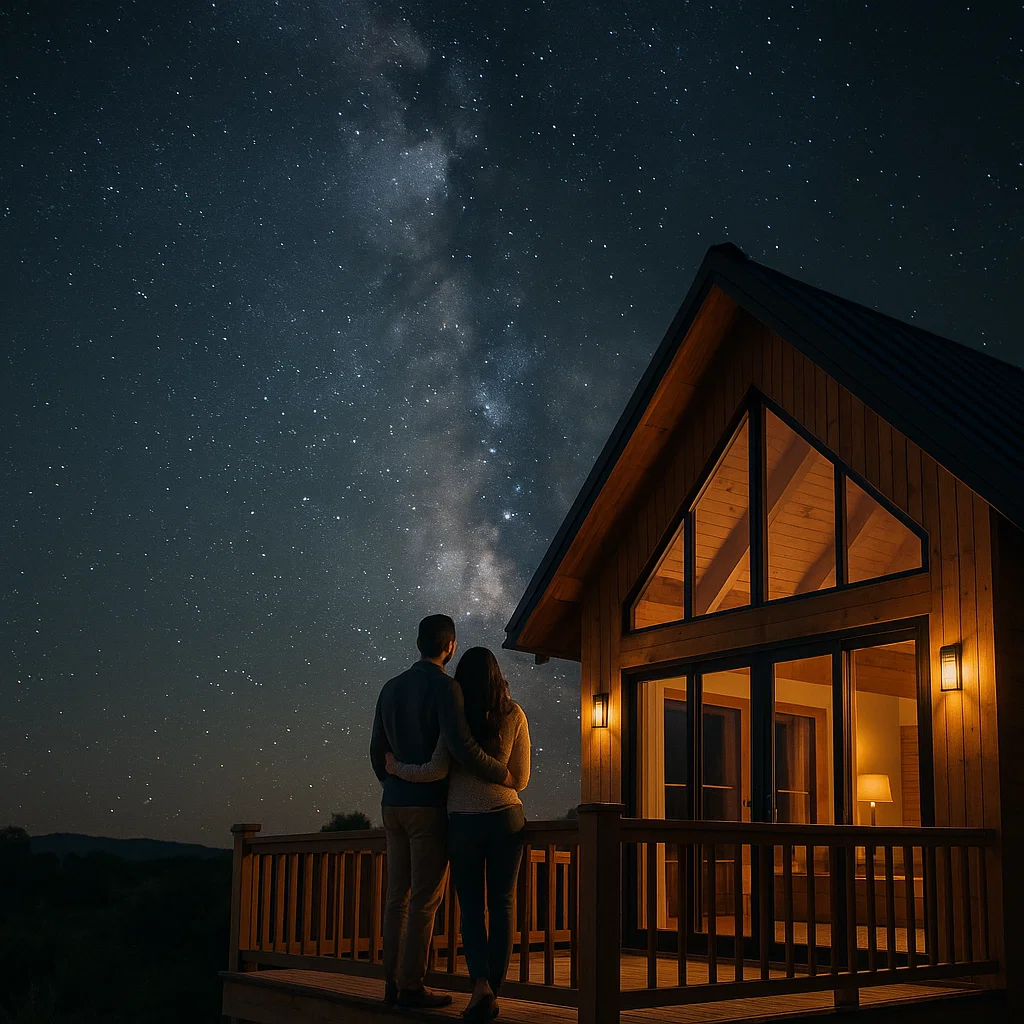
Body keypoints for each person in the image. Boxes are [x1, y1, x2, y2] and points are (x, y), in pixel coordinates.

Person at [369, 616, 513, 1010]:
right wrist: (502, 771)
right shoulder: (447, 688)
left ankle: (391, 985)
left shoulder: (390, 687)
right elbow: (461, 746)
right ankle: (412, 986)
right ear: (450, 647)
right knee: (424, 900)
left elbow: (375, 754)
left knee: (396, 897)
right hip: (429, 806)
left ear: (418, 642)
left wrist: (394, 784)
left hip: (392, 805)